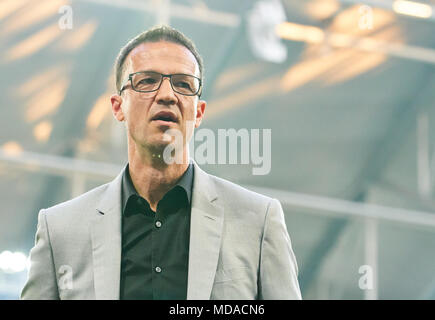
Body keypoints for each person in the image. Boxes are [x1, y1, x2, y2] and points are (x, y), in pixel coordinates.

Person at [21, 25, 301, 300]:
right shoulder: (60, 230)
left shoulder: (258, 221)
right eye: (147, 80)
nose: (167, 95)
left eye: (183, 84)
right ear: (118, 107)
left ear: (199, 112)